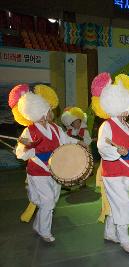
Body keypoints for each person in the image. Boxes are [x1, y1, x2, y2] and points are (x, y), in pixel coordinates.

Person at [9, 84, 83, 242]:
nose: (51, 112)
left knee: (52, 200)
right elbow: (20, 154)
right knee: (48, 201)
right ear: (40, 113)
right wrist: (29, 147)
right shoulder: (29, 131)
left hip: (55, 170)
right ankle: (44, 231)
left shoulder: (55, 128)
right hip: (37, 172)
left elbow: (65, 140)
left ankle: (38, 224)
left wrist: (78, 143)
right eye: (48, 110)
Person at [90, 72, 129, 253]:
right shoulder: (107, 125)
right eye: (126, 105)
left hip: (127, 170)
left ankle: (110, 232)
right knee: (123, 203)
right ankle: (124, 238)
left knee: (115, 202)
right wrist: (116, 151)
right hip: (112, 171)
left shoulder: (127, 126)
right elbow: (102, 147)